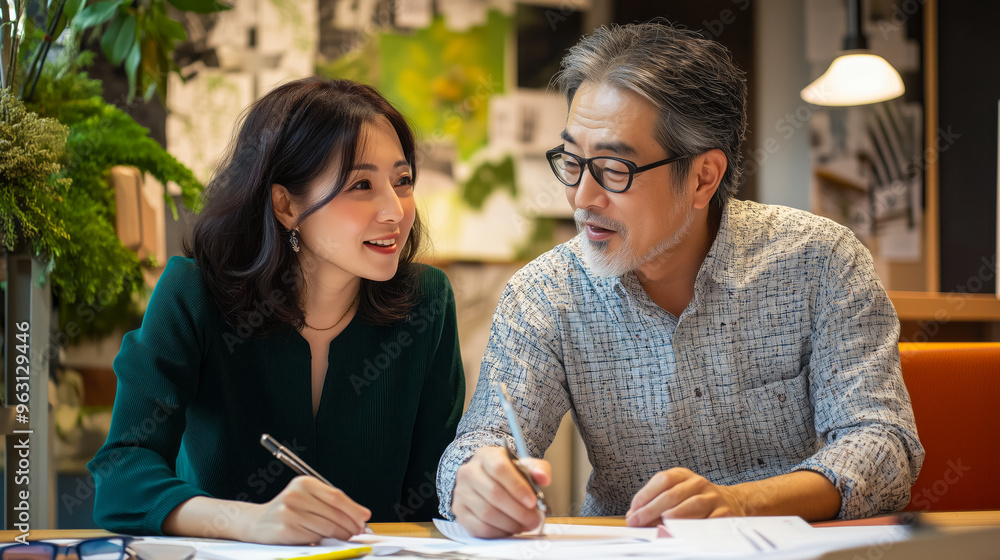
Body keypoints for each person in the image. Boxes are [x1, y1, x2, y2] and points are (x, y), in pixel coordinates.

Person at [436, 21, 924, 537]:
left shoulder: (820, 261)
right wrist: (474, 479)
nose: (581, 198)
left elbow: (883, 446)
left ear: (702, 177)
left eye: (613, 169)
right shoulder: (544, 294)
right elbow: (482, 440)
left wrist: (741, 503)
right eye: (573, 162)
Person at [89, 77, 465, 544]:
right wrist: (247, 521)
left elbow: (436, 489)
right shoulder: (195, 293)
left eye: (402, 180)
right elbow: (121, 473)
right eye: (362, 184)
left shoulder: (426, 302)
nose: (395, 211)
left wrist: (480, 487)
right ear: (286, 205)